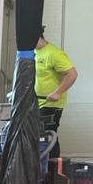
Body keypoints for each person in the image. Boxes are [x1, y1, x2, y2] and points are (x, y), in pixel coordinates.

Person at [35, 27, 78, 158]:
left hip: (51, 104)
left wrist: (58, 92)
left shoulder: (54, 53)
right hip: (36, 102)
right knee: (38, 135)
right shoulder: (33, 53)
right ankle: (42, 169)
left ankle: (53, 169)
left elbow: (72, 74)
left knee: (48, 135)